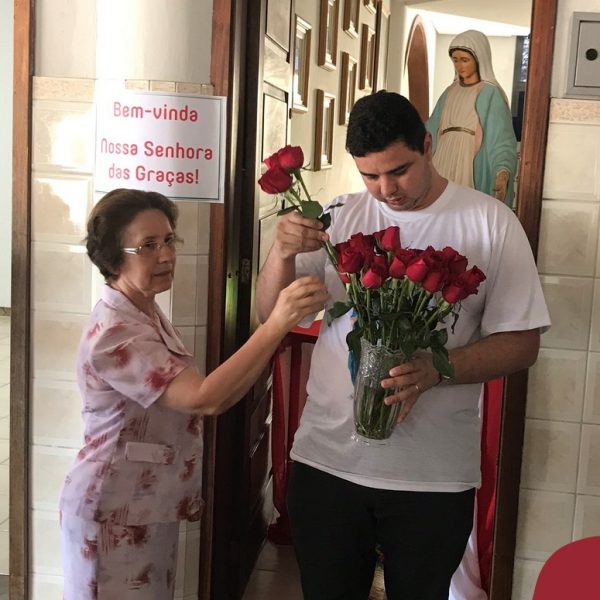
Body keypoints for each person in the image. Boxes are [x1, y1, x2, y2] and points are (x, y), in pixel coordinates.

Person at [255, 91, 550, 600]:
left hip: (432, 477)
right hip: (327, 462)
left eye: (399, 171)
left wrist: (438, 368)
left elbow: (522, 344)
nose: (386, 190)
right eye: (369, 176)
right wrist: (280, 253)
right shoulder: (338, 215)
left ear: (428, 146)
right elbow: (272, 315)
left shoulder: (490, 221)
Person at [58, 188, 328, 600]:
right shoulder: (116, 333)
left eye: (169, 240)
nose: (166, 255)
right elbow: (204, 398)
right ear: (113, 258)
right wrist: (277, 322)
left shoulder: (142, 309)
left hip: (143, 504)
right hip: (112, 509)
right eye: (148, 246)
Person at [426, 30, 517, 206]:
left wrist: (502, 170)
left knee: (466, 208)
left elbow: (501, 139)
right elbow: (430, 129)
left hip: (469, 159)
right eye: (455, 60)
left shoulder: (490, 94)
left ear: (479, 59)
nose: (459, 66)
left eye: (465, 60)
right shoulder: (449, 91)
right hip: (442, 157)